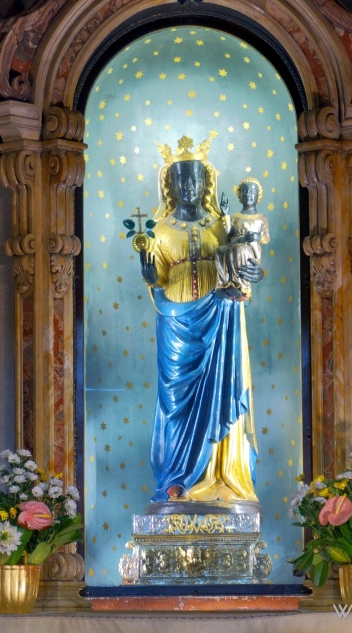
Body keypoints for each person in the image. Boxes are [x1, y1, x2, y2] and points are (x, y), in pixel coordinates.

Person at [138, 136, 264, 503]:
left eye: (194, 178)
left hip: (221, 318)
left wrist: (250, 275)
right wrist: (149, 275)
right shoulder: (159, 232)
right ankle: (177, 478)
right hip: (177, 325)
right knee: (176, 400)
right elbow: (156, 280)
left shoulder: (222, 226)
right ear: (170, 185)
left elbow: (241, 265)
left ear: (206, 182)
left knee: (222, 389)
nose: (188, 186)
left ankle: (219, 476)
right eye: (181, 179)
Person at [216, 177, 271, 301]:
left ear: (258, 195)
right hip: (234, 244)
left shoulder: (261, 218)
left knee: (238, 249)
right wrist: (226, 215)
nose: (247, 194)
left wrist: (258, 237)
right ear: (240, 194)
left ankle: (241, 287)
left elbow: (266, 237)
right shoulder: (235, 216)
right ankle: (223, 284)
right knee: (220, 251)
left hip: (250, 248)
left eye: (251, 191)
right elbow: (229, 234)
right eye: (244, 191)